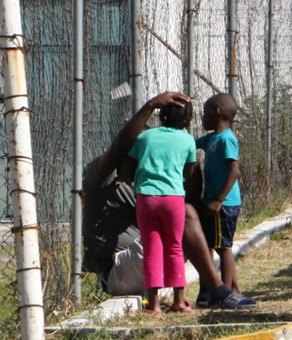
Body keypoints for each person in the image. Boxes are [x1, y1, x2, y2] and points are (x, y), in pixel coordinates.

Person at [82, 92, 257, 309]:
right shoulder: (98, 174)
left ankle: (203, 292)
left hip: (148, 267)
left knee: (187, 215)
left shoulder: (146, 180)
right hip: (119, 271)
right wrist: (150, 106)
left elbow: (190, 186)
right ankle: (217, 289)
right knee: (184, 214)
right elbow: (119, 148)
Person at [127, 101, 197, 313]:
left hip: (147, 197)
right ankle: (178, 301)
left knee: (152, 249)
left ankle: (154, 304)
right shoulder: (187, 139)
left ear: (162, 114)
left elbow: (131, 161)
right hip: (173, 197)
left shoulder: (146, 137)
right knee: (175, 247)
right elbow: (190, 170)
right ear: (188, 119)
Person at [196, 93, 244, 302]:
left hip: (224, 204)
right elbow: (191, 143)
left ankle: (225, 293)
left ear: (216, 113)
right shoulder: (212, 138)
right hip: (212, 201)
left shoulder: (227, 139)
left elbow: (234, 171)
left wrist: (219, 200)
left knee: (224, 247)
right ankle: (216, 289)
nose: (201, 118)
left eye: (204, 113)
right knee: (208, 244)